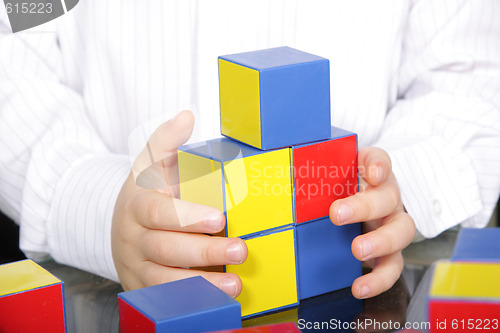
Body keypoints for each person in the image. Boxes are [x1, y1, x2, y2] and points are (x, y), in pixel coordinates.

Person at [0, 0, 499, 300]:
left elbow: (464, 73)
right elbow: (17, 46)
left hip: (349, 278)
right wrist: (96, 203)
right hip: (109, 288)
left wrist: (399, 187)